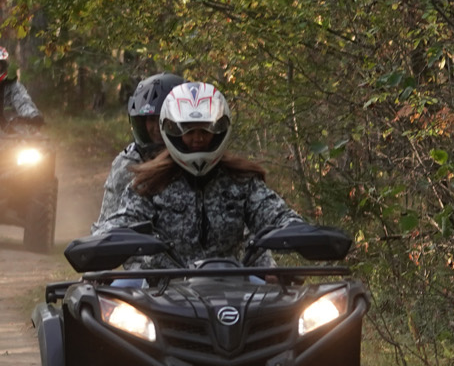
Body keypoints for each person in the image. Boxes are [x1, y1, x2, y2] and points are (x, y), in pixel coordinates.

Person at [93, 81, 304, 264]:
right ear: (173, 131)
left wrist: (299, 233)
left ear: (219, 129)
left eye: (205, 130)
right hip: (161, 292)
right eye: (189, 131)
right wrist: (106, 239)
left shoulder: (241, 181)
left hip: (235, 287)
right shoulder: (150, 183)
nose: (198, 138)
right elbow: (123, 221)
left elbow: (276, 216)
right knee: (102, 299)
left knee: (296, 302)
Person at [92, 72, 183, 233]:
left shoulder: (197, 160)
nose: (157, 128)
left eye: (164, 119)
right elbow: (107, 224)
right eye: (151, 120)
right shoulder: (127, 164)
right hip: (140, 253)